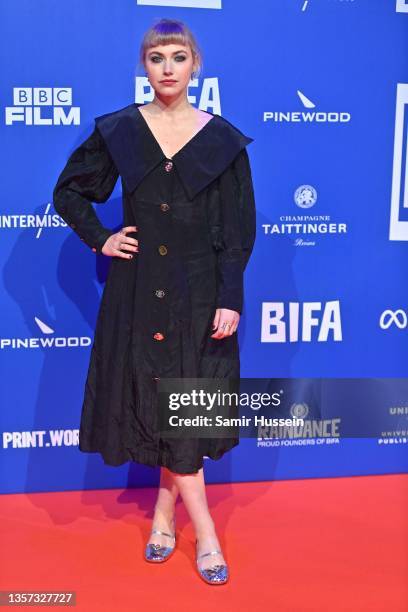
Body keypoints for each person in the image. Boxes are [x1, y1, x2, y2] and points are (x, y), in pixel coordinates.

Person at [53, 17, 256, 585]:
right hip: (138, 294)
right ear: (144, 67)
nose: (167, 68)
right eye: (157, 58)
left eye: (178, 57)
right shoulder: (120, 130)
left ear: (195, 66)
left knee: (186, 409)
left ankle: (171, 520)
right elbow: (68, 191)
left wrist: (231, 296)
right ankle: (202, 534)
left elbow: (238, 229)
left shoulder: (222, 140)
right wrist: (103, 237)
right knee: (166, 405)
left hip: (199, 297)